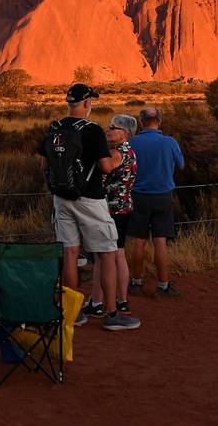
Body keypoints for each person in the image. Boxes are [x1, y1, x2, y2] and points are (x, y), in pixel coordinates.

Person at [37, 84, 140, 331]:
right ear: (86, 103)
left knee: (70, 254)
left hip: (61, 198)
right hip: (90, 199)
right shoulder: (92, 130)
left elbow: (43, 165)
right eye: (90, 101)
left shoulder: (55, 128)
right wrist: (116, 159)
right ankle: (112, 314)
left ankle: (71, 313)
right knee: (106, 253)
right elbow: (105, 168)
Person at [84, 114, 138, 317]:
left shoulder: (117, 153)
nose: (108, 130)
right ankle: (122, 300)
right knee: (118, 253)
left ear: (124, 133)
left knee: (103, 256)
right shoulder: (131, 151)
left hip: (111, 210)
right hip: (124, 207)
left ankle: (97, 302)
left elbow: (107, 167)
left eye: (112, 127)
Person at [128, 106, 185, 298]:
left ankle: (136, 283)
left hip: (138, 196)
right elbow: (181, 165)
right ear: (159, 121)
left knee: (138, 240)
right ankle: (163, 285)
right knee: (160, 241)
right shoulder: (169, 142)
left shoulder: (133, 142)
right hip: (163, 196)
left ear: (141, 122)